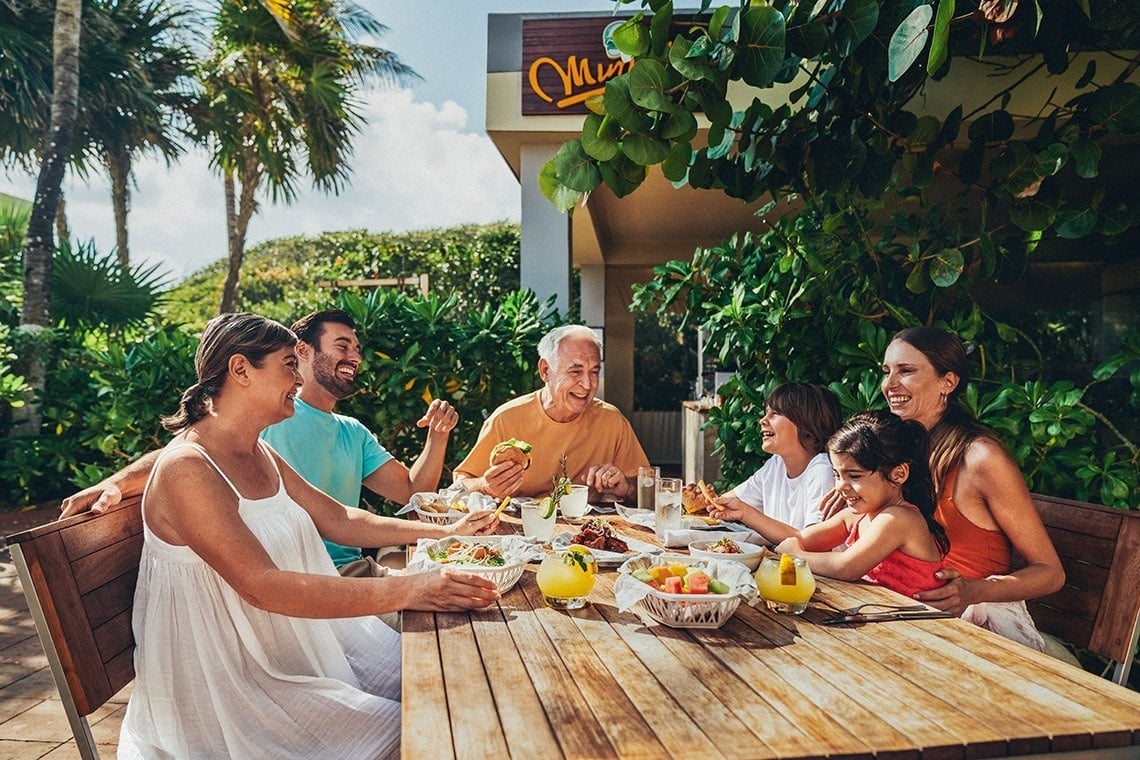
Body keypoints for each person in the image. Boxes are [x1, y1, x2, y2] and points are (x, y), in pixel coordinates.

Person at [117, 313, 500, 759]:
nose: (298, 377)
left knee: (448, 675)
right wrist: (408, 590)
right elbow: (263, 586)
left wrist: (446, 531)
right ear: (241, 370)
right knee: (426, 722)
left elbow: (339, 519)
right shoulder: (189, 468)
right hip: (229, 683)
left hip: (292, 647)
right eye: (286, 364)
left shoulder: (260, 451)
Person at [62, 309, 470, 576]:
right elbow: (191, 455)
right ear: (304, 352)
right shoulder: (268, 417)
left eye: (358, 349)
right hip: (312, 583)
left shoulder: (343, 431)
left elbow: (406, 496)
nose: (355, 357)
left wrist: (438, 442)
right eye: (342, 346)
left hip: (345, 573)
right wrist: (114, 483)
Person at [867, 326, 1066, 647]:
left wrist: (973, 589)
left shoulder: (980, 456)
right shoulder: (897, 450)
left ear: (948, 381)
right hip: (911, 617)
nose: (889, 385)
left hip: (975, 628)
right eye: (886, 371)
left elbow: (1051, 573)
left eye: (906, 371)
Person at [736, 410, 948, 596]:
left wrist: (796, 555)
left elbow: (846, 567)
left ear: (898, 474)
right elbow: (799, 537)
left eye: (854, 476)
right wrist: (744, 512)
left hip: (921, 628)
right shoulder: (856, 516)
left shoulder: (899, 518)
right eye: (837, 475)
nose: (840, 487)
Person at [453, 324, 650, 501]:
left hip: (586, 535)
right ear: (545, 370)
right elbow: (460, 485)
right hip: (517, 533)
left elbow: (651, 492)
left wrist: (627, 488)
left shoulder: (611, 421)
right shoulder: (506, 419)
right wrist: (485, 486)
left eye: (594, 372)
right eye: (575, 371)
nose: (588, 384)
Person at [707, 383, 842, 538]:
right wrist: (701, 500)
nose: (762, 421)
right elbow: (725, 502)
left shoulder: (822, 470)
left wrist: (745, 513)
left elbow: (813, 544)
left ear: (808, 423)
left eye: (775, 413)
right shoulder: (776, 464)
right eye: (766, 413)